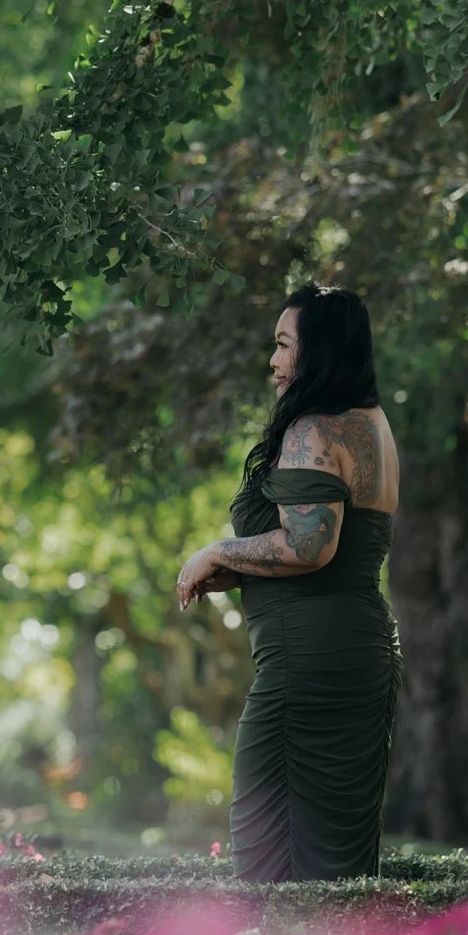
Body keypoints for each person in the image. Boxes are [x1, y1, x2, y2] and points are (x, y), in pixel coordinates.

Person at [175, 282, 402, 882]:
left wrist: (216, 550)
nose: (273, 360)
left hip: (307, 668)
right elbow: (336, 548)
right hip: (361, 652)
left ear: (319, 349)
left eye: (283, 344)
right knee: (337, 861)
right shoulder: (372, 425)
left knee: (268, 850)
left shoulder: (313, 431)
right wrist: (239, 571)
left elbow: (309, 546)